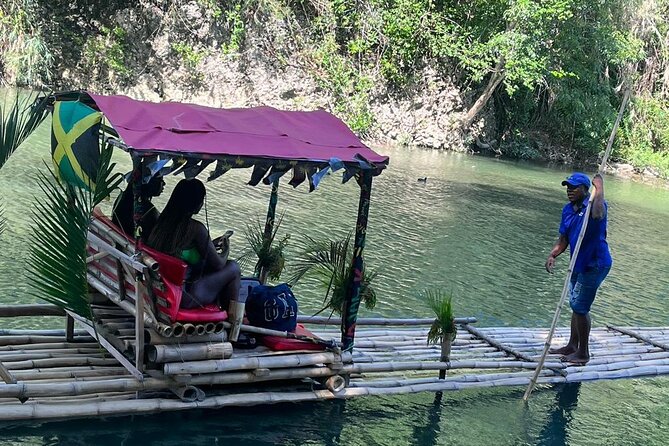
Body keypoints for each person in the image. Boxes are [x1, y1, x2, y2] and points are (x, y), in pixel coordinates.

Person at [146, 178, 241, 314]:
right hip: (184, 298)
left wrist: (209, 245)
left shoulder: (161, 223)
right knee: (233, 267)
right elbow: (219, 264)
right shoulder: (195, 229)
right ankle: (232, 318)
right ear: (196, 202)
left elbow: (181, 250)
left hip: (161, 291)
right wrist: (226, 248)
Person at [545, 172, 612, 365]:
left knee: (580, 307)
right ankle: (572, 345)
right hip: (577, 262)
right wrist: (553, 255)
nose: (570, 191)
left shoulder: (594, 206)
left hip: (595, 264)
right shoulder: (568, 210)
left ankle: (583, 353)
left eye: (574, 187)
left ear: (585, 189)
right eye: (568, 187)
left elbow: (599, 214)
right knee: (575, 304)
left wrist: (599, 188)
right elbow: (563, 239)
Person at [112, 174, 165, 240]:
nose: (164, 183)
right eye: (160, 180)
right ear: (149, 182)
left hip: (117, 238)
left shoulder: (122, 197)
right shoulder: (150, 211)